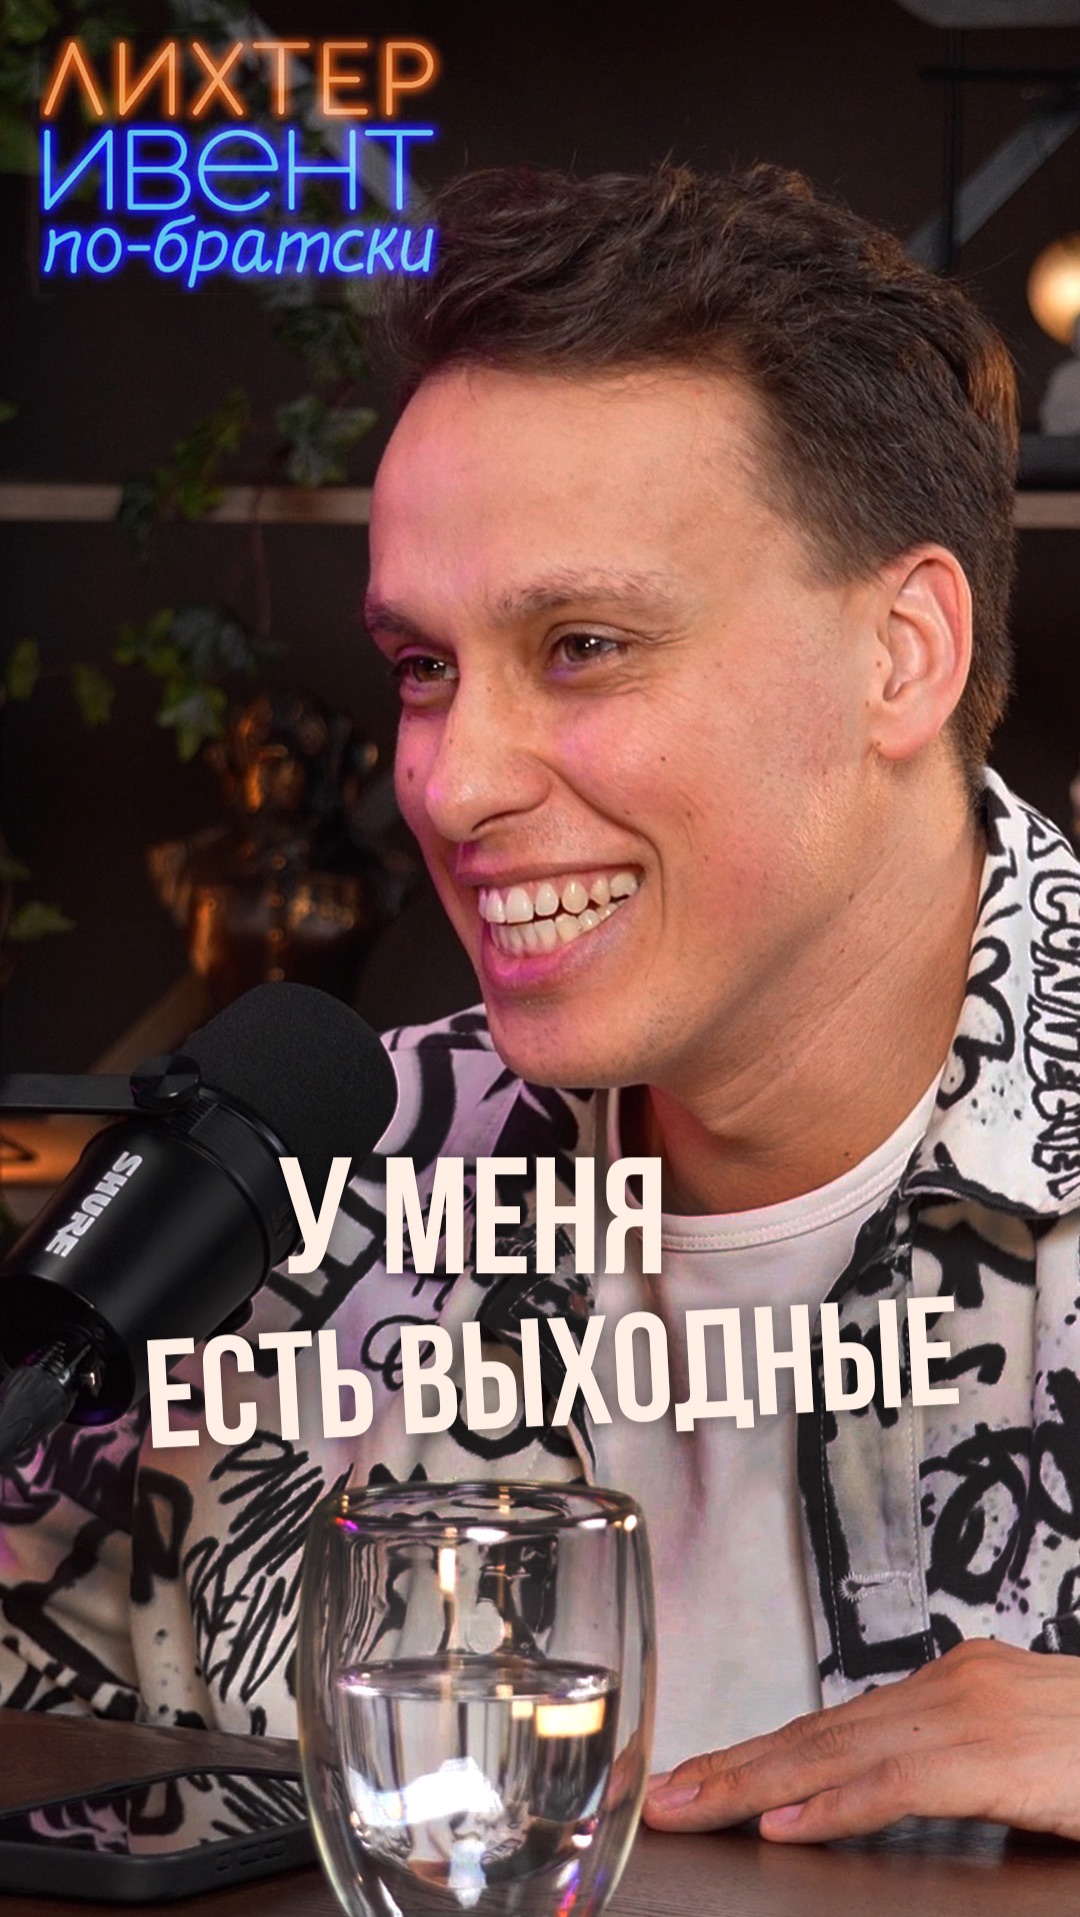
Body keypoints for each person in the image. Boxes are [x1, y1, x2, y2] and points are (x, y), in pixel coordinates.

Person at [5, 159, 1080, 1845]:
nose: (451, 782)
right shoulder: (313, 1199)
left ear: (904, 652)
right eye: (424, 666)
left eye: (583, 644)